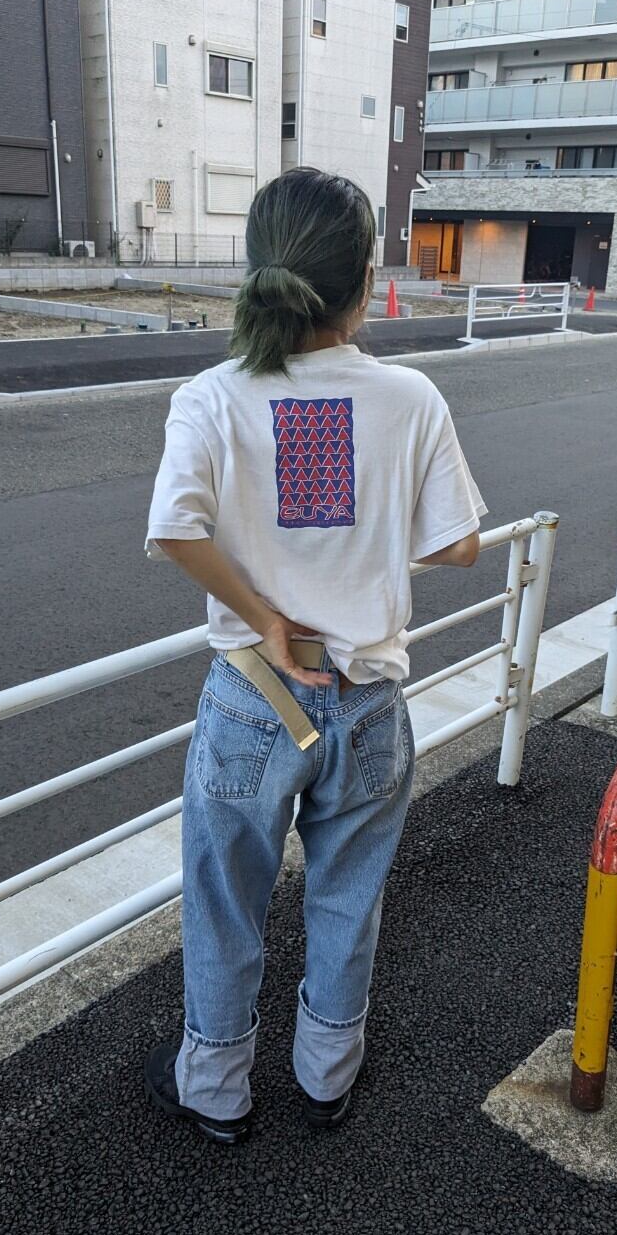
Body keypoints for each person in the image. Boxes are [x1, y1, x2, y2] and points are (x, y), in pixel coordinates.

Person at [143, 168, 487, 1146]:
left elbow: (175, 527)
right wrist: (369, 543)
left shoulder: (212, 397)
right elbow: (460, 543)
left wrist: (263, 614)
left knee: (224, 903)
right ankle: (327, 1071)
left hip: (253, 696)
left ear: (258, 271)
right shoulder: (409, 397)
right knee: (348, 896)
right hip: (369, 696)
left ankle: (216, 1086)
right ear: (365, 283)